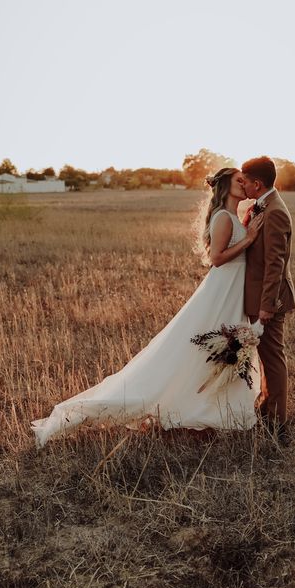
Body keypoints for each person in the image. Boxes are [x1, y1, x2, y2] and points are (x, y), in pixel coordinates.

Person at [31, 168, 264, 448]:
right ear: (225, 185)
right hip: (222, 289)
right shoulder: (224, 217)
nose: (244, 183)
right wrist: (249, 238)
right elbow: (216, 258)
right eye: (239, 180)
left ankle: (218, 406)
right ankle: (189, 405)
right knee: (203, 348)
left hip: (231, 291)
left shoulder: (235, 216)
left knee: (219, 350)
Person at [241, 156, 295, 439]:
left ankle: (278, 423)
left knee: (272, 359)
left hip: (269, 299)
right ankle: (265, 410)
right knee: (265, 357)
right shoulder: (264, 206)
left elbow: (276, 263)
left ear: (257, 183)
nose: (243, 186)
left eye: (245, 181)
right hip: (259, 296)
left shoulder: (274, 211)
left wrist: (266, 307)